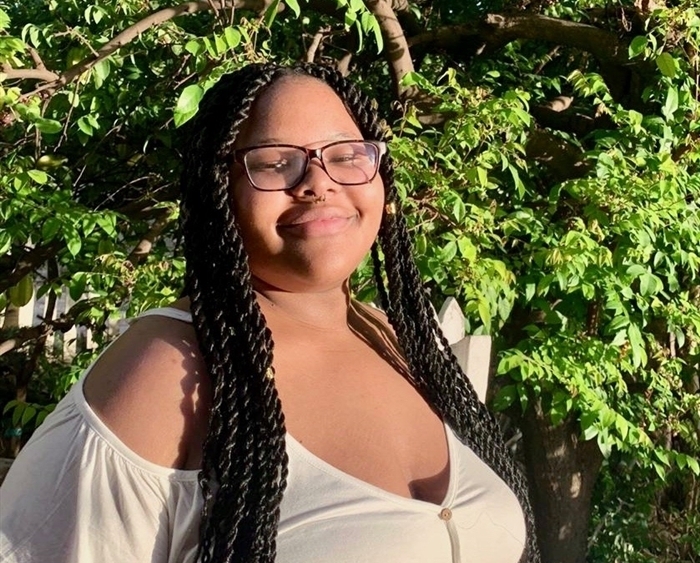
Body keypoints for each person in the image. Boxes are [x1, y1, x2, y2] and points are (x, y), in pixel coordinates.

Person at [0, 62, 540, 563]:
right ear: (220, 193)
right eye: (275, 163)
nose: (318, 182)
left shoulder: (399, 344)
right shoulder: (164, 372)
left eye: (346, 155)